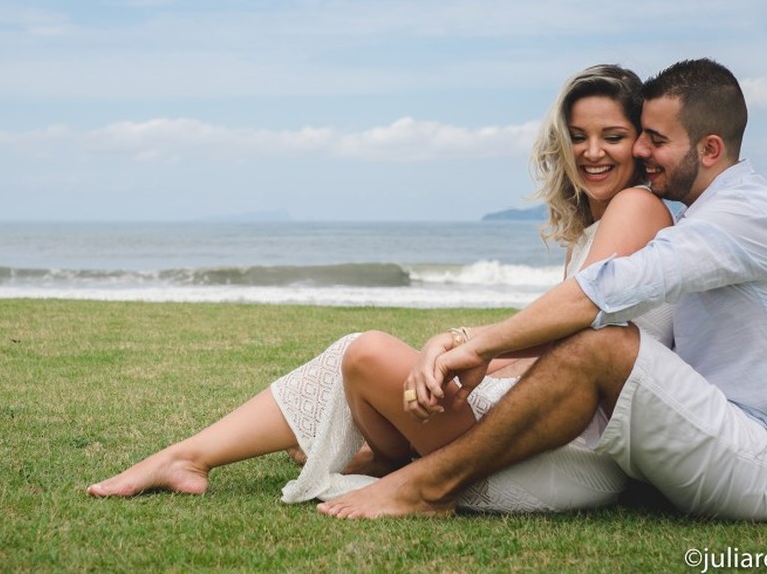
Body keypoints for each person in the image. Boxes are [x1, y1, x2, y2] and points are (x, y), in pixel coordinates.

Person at [86, 63, 674, 512]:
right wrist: (460, 360)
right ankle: (348, 455)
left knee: (363, 351)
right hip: (541, 436)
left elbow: (577, 319)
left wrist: (465, 344)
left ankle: (190, 456)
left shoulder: (637, 205)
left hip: (568, 455)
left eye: (612, 136)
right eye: (577, 136)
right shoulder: (593, 228)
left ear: (640, 144)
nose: (591, 152)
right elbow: (555, 340)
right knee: (377, 366)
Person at [318, 58, 767, 522]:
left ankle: (427, 486)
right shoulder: (707, 214)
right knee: (599, 340)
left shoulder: (742, 216)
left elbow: (606, 292)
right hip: (718, 433)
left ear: (710, 148)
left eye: (656, 140)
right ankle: (408, 464)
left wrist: (478, 343)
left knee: (603, 344)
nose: (640, 150)